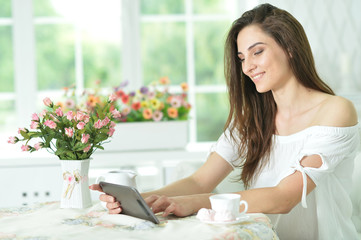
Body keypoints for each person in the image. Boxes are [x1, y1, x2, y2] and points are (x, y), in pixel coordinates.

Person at [90, 3, 360, 239]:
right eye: (242, 58)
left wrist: (195, 204)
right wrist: (143, 201)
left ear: (289, 47)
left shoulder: (335, 111)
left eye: (257, 52)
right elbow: (199, 182)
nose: (247, 67)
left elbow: (284, 197)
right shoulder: (252, 120)